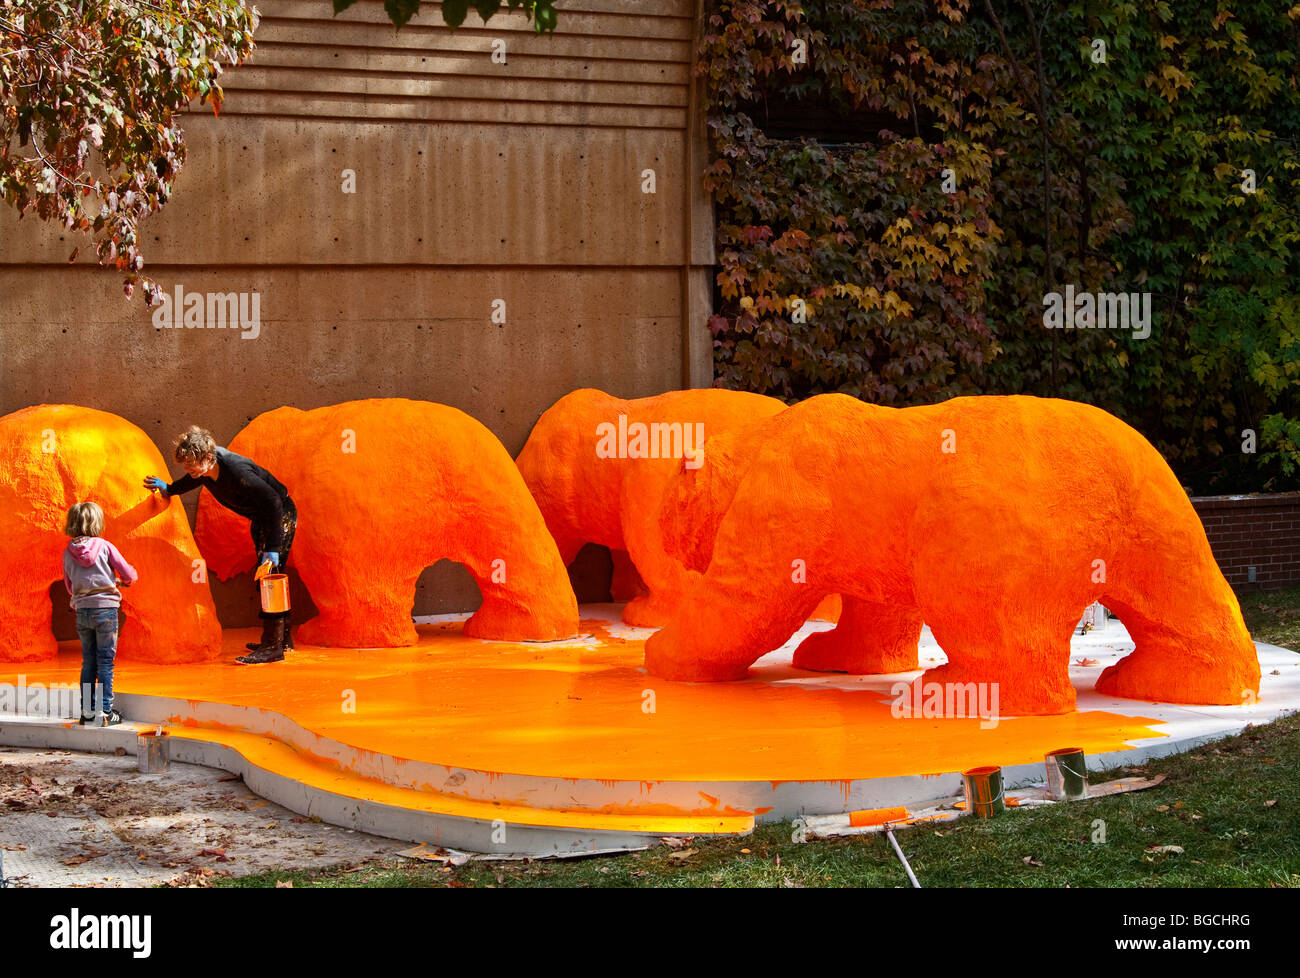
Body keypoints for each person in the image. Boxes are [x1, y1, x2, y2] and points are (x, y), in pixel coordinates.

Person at [143, 425, 297, 664]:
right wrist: (170, 489)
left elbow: (274, 502)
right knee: (265, 578)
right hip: (261, 519)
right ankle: (282, 641)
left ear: (207, 457)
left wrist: (274, 548)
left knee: (270, 579)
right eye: (185, 466)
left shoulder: (236, 470)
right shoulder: (206, 471)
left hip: (279, 516)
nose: (188, 470)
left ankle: (273, 647)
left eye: (191, 465)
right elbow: (192, 479)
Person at [62, 501, 137, 726]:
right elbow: (128, 574)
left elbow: (69, 585)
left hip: (82, 610)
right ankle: (104, 713)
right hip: (106, 610)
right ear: (97, 523)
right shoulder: (105, 546)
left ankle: (86, 712)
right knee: (105, 662)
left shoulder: (68, 552)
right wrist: (123, 581)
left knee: (88, 661)